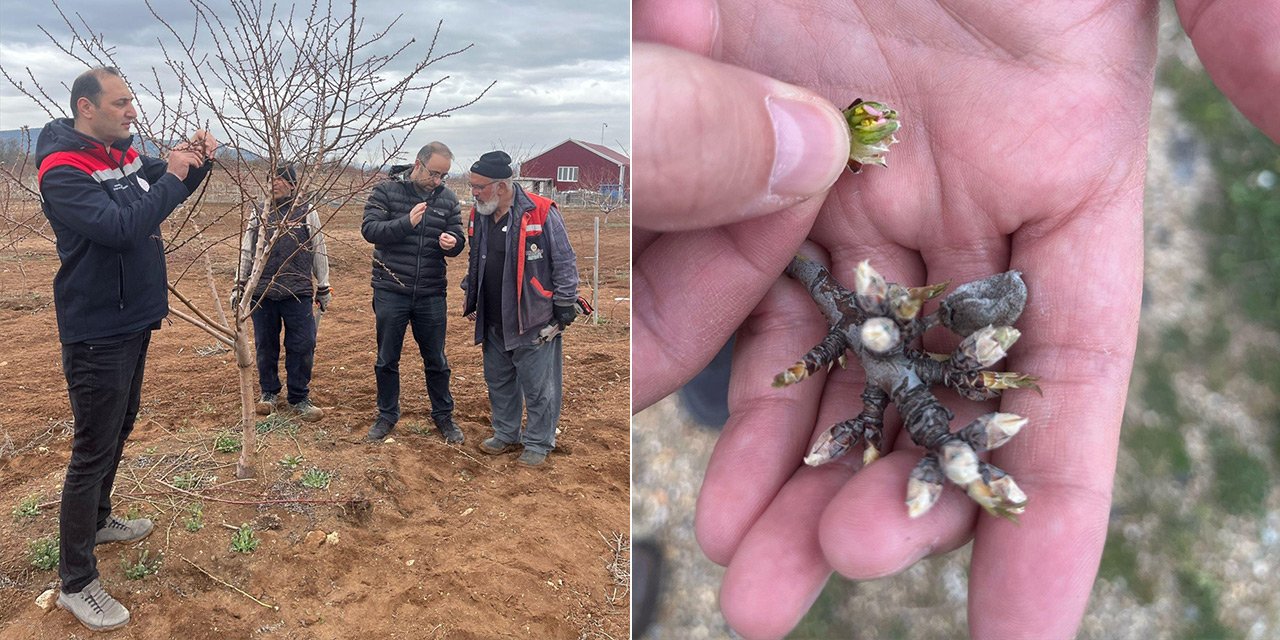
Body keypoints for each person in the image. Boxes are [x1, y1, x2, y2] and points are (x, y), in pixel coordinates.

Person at [632, 1, 1280, 639]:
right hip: (721, 194)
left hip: (771, 256)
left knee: (748, 333)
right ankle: (724, 392)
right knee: (731, 314)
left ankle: (722, 396)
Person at [36, 66, 215, 632]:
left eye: (132, 101)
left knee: (122, 426)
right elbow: (119, 227)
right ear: (86, 109)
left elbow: (169, 189)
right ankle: (76, 581)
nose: (132, 111)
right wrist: (172, 178)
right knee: (92, 448)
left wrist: (195, 161)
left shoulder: (123, 155)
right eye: (121, 103)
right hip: (95, 330)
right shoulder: (63, 170)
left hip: (132, 319)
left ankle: (101, 519)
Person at [460, 151, 580, 467]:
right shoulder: (479, 215)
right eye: (472, 185)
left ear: (501, 186)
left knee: (539, 386)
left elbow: (565, 260)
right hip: (494, 317)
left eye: (479, 186)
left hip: (532, 317)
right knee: (498, 380)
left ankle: (539, 443)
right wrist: (471, 289)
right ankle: (506, 433)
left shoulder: (540, 212)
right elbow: (478, 258)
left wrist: (565, 303)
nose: (474, 192)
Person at [360, 142, 466, 443]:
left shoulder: (446, 199)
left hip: (431, 291)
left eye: (443, 176)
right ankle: (387, 414)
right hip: (391, 289)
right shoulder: (386, 192)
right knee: (387, 357)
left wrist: (453, 243)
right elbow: (370, 230)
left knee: (436, 359)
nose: (438, 181)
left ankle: (443, 416)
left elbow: (458, 237)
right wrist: (407, 222)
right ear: (417, 165)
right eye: (434, 174)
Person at [232, 163, 331, 422]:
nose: (274, 183)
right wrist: (240, 286)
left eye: (280, 178)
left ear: (292, 184)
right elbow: (246, 250)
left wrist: (323, 287)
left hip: (297, 291)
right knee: (266, 345)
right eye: (270, 178)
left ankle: (299, 397)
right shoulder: (260, 213)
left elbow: (319, 250)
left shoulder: (306, 212)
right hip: (262, 292)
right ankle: (269, 394)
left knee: (302, 344)